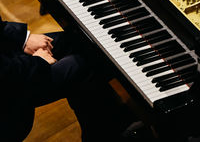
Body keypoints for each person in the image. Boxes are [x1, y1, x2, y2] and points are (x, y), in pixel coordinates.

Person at [0, 15, 134, 142]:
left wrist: (23, 38)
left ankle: (118, 119)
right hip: (9, 90)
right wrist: (39, 61)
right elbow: (8, 76)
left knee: (80, 42)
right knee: (82, 67)